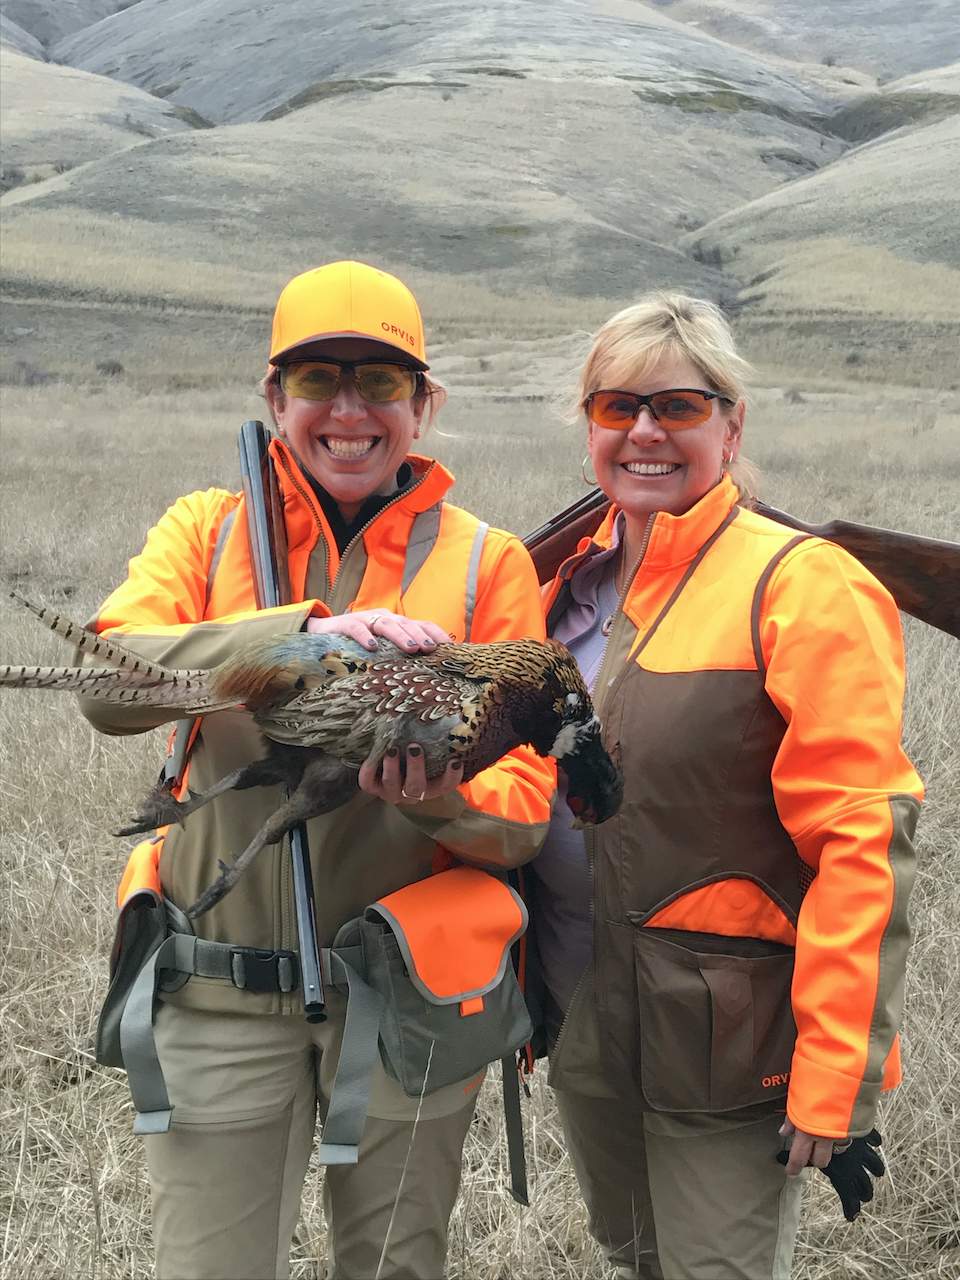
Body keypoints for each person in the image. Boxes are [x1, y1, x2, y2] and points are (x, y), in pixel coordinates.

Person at [79, 260, 555, 1280]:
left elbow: (523, 818)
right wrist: (299, 637)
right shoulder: (206, 531)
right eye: (317, 379)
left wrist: (442, 796)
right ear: (273, 397)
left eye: (381, 381)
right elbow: (105, 682)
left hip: (411, 1002)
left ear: (424, 405)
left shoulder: (486, 564)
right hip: (218, 993)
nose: (348, 408)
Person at [531, 292, 923, 1280]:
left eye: (680, 406)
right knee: (633, 1257)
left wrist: (836, 1077)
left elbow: (862, 838)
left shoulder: (803, 583)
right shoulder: (555, 589)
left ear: (732, 423)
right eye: (616, 407)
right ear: (589, 425)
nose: (646, 431)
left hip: (725, 1045)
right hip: (583, 1017)